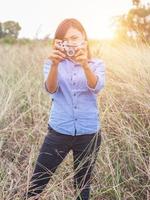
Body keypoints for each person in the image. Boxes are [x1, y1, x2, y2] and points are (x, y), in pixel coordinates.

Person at [23, 18, 105, 200]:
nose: (71, 44)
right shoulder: (52, 63)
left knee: (82, 187)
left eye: (75, 38)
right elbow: (51, 89)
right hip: (59, 130)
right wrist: (54, 64)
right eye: (65, 40)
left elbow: (97, 87)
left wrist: (84, 64)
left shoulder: (96, 64)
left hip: (89, 133)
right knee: (37, 183)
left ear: (84, 37)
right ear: (58, 43)